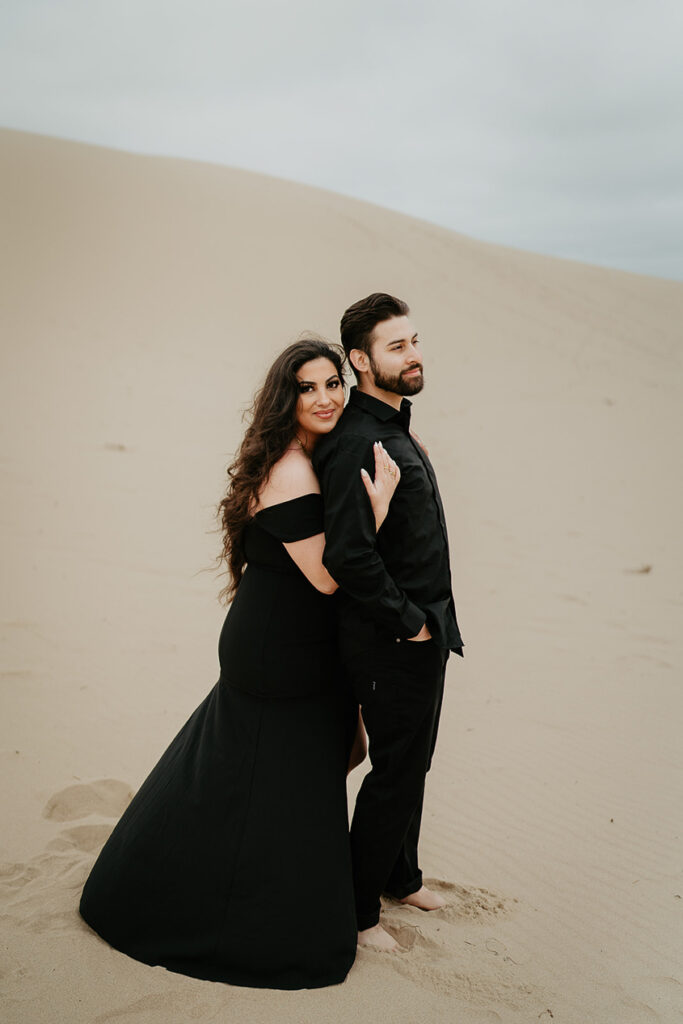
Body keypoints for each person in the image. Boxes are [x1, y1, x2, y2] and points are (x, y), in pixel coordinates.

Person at [79, 337, 400, 989]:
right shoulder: (289, 469)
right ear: (287, 398)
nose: (325, 397)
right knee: (278, 769)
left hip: (293, 639)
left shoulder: (313, 457)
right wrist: (378, 507)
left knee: (275, 767)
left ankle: (259, 878)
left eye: (332, 383)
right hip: (278, 647)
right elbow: (329, 578)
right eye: (307, 388)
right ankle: (242, 906)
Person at [312, 293, 464, 952]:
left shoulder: (394, 427)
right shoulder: (357, 441)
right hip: (390, 639)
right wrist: (409, 623)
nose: (413, 355)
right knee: (395, 770)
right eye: (395, 346)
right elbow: (348, 554)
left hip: (421, 632)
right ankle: (356, 911)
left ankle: (400, 878)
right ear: (359, 360)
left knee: (413, 763)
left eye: (414, 341)